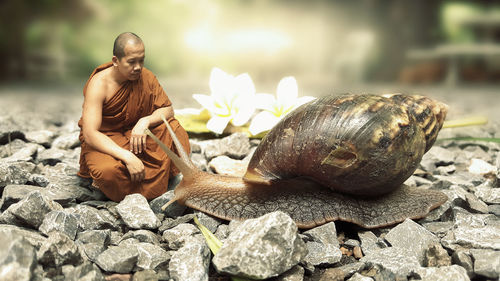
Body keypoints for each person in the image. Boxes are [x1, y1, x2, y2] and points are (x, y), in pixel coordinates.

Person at [77, 32, 190, 202]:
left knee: (174, 130)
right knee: (108, 172)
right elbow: (90, 134)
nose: (138, 67)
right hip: (106, 140)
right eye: (131, 62)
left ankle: (163, 179)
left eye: (141, 60)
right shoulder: (99, 84)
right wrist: (127, 156)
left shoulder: (146, 76)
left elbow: (167, 110)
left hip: (135, 135)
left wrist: (145, 121)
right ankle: (141, 187)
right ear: (116, 61)